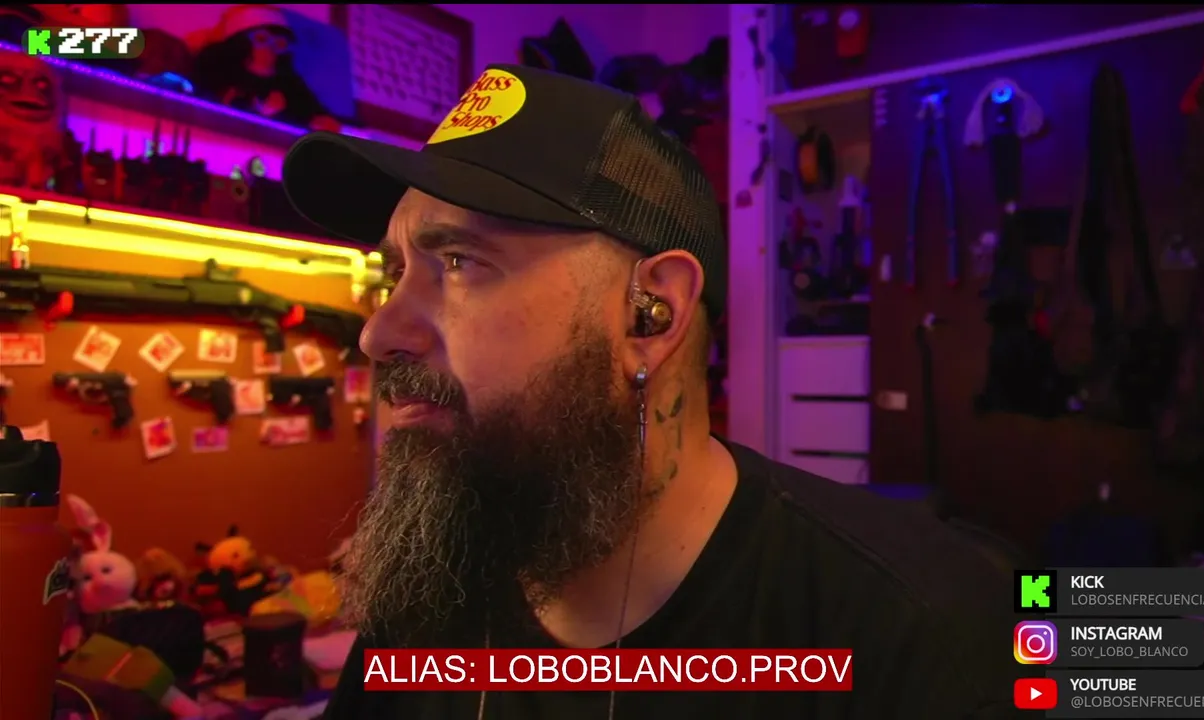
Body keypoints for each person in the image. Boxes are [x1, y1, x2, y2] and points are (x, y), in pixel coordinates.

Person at [283, 64, 1019, 719]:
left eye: (458, 262)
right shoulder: (424, 596)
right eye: (394, 273)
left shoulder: (922, 636)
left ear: (651, 312)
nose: (378, 333)